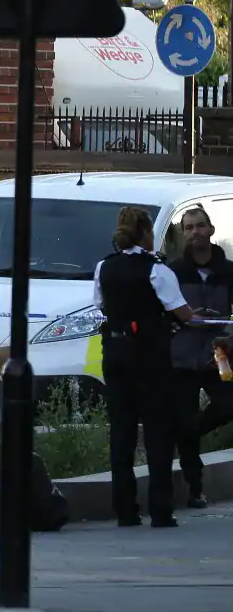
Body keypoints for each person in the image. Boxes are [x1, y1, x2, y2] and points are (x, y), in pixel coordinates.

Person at [94, 206, 193, 528]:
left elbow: (100, 305)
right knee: (157, 431)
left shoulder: (104, 267)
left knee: (121, 432)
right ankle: (161, 510)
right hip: (150, 356)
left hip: (115, 354)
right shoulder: (157, 270)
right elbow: (180, 311)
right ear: (147, 233)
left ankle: (125, 510)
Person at [166, 206, 233, 509]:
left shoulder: (228, 271)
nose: (194, 232)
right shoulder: (174, 271)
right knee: (183, 412)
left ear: (211, 230)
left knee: (228, 402)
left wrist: (229, 338)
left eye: (199, 226)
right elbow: (164, 312)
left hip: (220, 354)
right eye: (188, 227)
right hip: (182, 356)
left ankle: (190, 428)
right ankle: (195, 489)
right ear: (183, 233)